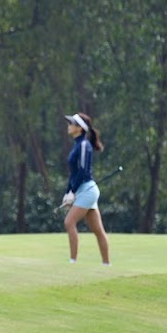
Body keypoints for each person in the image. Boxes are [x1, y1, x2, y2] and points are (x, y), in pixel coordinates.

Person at [61, 112, 111, 265]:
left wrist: (73, 192)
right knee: (97, 230)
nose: (68, 126)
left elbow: (83, 171)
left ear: (79, 128)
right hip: (83, 189)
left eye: (71, 124)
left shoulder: (83, 145)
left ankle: (73, 262)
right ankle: (106, 264)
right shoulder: (78, 144)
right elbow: (74, 173)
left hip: (87, 189)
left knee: (69, 222)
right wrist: (68, 192)